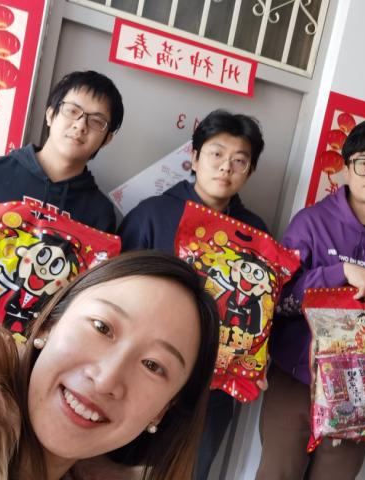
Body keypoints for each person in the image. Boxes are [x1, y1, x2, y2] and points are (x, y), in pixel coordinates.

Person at [0, 251, 219, 480]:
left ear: (161, 410)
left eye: (153, 365)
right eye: (101, 327)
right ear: (49, 325)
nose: (106, 379)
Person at [256, 119, 365, 480]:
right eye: (363, 162)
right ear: (347, 169)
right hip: (296, 380)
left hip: (362, 393)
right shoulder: (311, 223)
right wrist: (338, 273)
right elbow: (277, 299)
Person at [117, 109, 267, 479]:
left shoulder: (256, 235)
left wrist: (256, 359)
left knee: (189, 470)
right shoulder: (152, 214)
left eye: (239, 160)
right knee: (118, 465)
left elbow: (260, 308)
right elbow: (115, 291)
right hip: (142, 371)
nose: (226, 167)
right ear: (195, 158)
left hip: (212, 388)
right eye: (216, 154)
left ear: (249, 171)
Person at [0, 70, 124, 278]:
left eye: (96, 121)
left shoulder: (100, 213)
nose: (80, 125)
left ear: (106, 139)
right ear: (50, 114)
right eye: (72, 111)